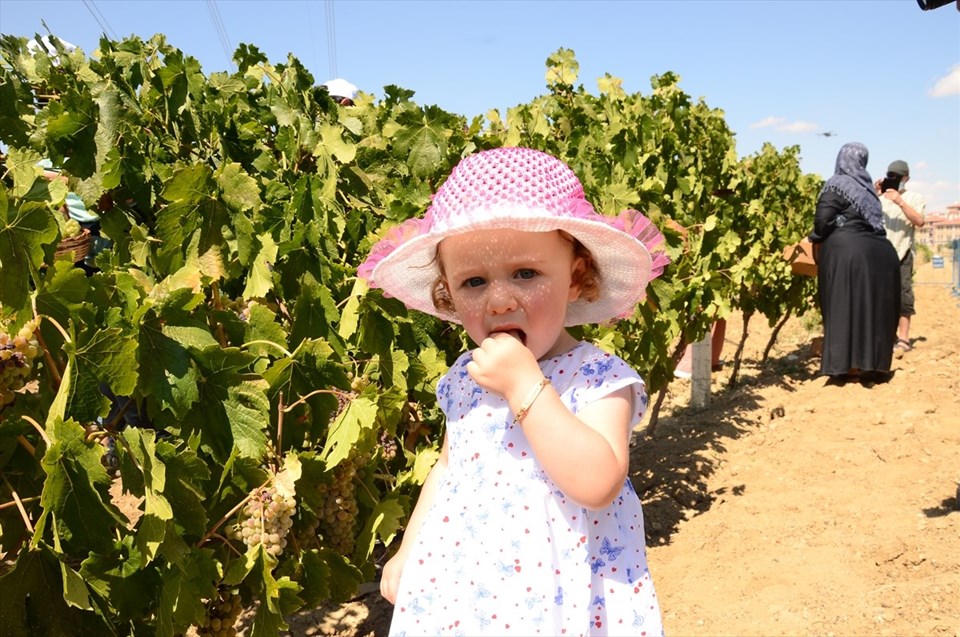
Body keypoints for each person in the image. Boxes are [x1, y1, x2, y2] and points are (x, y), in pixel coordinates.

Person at [358, 147, 670, 636]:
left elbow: (597, 483)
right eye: (473, 282)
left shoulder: (599, 378)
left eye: (526, 274)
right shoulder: (466, 376)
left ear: (576, 278)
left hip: (556, 596)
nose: (500, 300)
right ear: (447, 295)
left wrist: (526, 385)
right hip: (466, 592)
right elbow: (448, 465)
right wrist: (409, 548)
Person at [808, 142, 900, 382]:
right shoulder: (868, 191)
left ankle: (846, 367)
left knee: (843, 306)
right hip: (882, 256)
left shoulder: (836, 184)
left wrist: (821, 235)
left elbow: (821, 222)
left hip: (848, 255)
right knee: (869, 310)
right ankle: (870, 365)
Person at [876, 160, 926, 357]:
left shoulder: (915, 197)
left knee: (904, 296)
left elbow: (919, 221)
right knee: (880, 297)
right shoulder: (880, 199)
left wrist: (900, 202)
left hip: (903, 253)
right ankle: (885, 336)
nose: (894, 179)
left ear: (907, 178)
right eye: (891, 175)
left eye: (898, 176)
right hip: (881, 255)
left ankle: (903, 339)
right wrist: (873, 193)